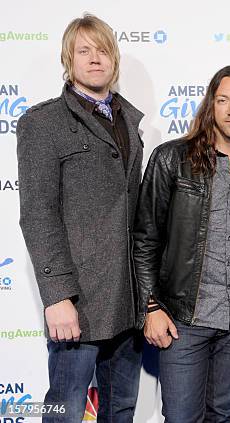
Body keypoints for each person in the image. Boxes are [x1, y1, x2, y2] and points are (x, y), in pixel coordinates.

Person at [16, 13, 144, 422]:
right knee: (64, 410)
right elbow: (37, 213)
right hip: (79, 302)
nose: (95, 58)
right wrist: (57, 297)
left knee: (120, 408)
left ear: (114, 60)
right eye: (83, 51)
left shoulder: (129, 120)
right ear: (68, 61)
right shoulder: (42, 122)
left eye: (102, 50)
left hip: (129, 300)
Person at [132, 65, 230, 423]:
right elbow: (145, 238)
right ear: (211, 105)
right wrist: (150, 306)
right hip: (183, 317)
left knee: (222, 415)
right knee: (180, 417)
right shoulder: (172, 158)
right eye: (223, 100)